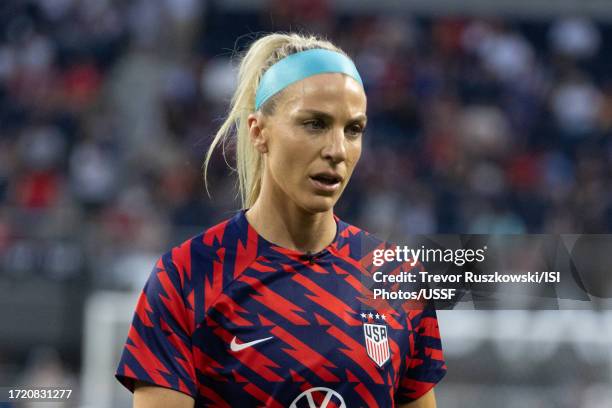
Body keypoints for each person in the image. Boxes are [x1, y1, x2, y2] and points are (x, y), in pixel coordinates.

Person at [115, 32, 447, 407]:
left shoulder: (396, 277)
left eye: (353, 129)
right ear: (259, 132)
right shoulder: (188, 276)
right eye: (314, 124)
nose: (337, 150)